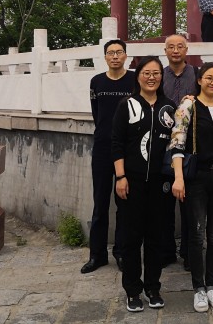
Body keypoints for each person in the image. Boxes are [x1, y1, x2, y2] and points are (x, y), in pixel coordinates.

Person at [111, 57, 175, 312]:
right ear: (138, 76)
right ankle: (132, 290)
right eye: (147, 73)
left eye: (156, 73)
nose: (151, 77)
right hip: (131, 182)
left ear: (162, 76)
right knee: (130, 238)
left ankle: (153, 287)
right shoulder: (127, 105)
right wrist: (120, 177)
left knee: (156, 238)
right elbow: (117, 142)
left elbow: (176, 144)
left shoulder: (169, 107)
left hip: (160, 184)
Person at [170, 63, 213, 313]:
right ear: (199, 80)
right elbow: (177, 142)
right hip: (196, 177)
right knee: (197, 234)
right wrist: (178, 178)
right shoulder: (188, 106)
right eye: (209, 78)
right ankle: (198, 288)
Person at [82, 40, 135, 274]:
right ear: (105, 57)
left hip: (128, 149)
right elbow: (97, 113)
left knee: (125, 203)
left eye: (119, 52)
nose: (115, 56)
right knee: (100, 203)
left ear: (126, 56)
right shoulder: (97, 82)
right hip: (103, 147)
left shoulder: (134, 80)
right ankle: (97, 254)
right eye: (110, 53)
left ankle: (122, 252)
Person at [161, 34, 197, 269]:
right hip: (162, 143)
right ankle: (165, 251)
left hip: (189, 145)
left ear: (186, 49)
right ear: (165, 51)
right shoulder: (158, 74)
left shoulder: (196, 74)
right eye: (171, 47)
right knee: (163, 203)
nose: (175, 50)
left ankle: (188, 252)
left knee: (189, 204)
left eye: (180, 46)